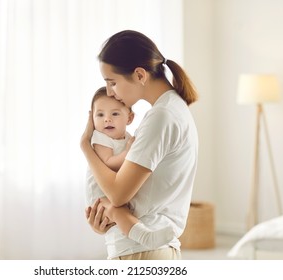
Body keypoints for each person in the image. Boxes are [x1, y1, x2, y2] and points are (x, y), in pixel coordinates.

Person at [81, 30, 199, 260]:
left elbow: (117, 195)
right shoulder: (170, 109)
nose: (109, 92)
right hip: (143, 249)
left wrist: (86, 146)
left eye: (112, 82)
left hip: (142, 252)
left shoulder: (162, 116)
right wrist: (104, 221)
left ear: (139, 75)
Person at [86, 86, 175, 250]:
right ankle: (145, 236)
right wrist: (128, 152)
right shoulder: (100, 138)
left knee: (122, 211)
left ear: (129, 118)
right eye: (100, 115)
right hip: (101, 195)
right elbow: (108, 162)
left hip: (114, 190)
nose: (107, 119)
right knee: (117, 210)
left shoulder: (127, 137)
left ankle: (145, 234)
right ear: (92, 119)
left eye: (115, 114)